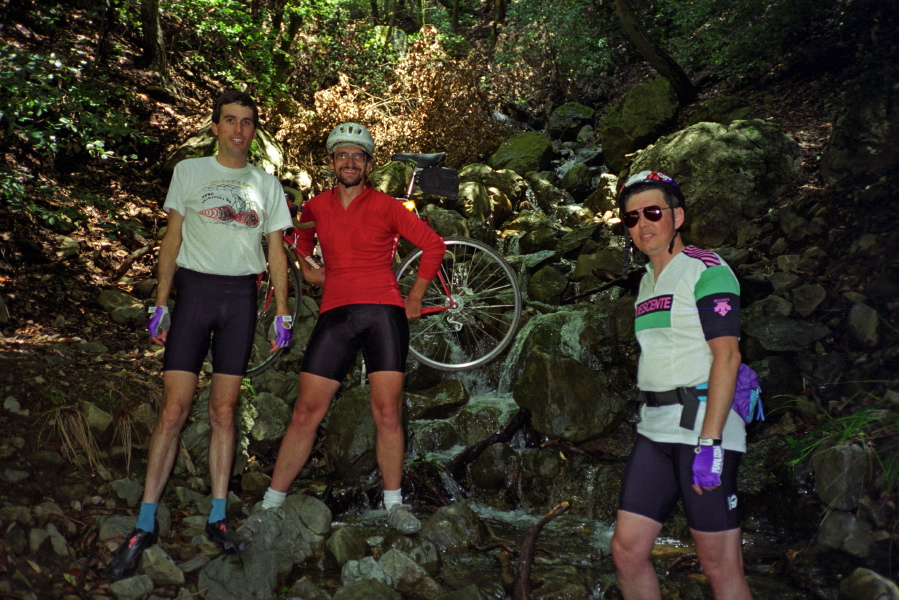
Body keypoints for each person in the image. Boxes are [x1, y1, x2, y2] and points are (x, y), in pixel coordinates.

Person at [107, 90, 294, 580]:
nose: (238, 129)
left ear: (255, 130)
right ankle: (144, 522)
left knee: (224, 410)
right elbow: (171, 240)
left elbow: (276, 253)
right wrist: (161, 302)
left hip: (239, 301)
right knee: (175, 408)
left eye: (247, 122)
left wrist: (283, 313)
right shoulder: (189, 172)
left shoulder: (267, 183)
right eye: (229, 120)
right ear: (215, 127)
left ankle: (217, 517)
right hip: (192, 295)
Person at [258, 123, 445, 534]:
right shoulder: (315, 209)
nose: (349, 161)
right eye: (342, 154)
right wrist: (307, 268)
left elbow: (433, 245)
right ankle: (271, 502)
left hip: (384, 313)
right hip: (336, 314)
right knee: (306, 411)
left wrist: (415, 296)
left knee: (387, 413)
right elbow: (304, 260)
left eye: (358, 156)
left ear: (368, 164)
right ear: (330, 162)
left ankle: (393, 505)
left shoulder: (387, 206)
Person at [611, 171, 753, 599]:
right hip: (655, 428)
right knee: (627, 551)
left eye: (653, 212)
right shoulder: (646, 283)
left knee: (719, 565)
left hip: (701, 429)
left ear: (678, 216)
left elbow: (727, 356)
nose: (643, 225)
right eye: (632, 218)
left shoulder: (707, 270)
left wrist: (710, 443)